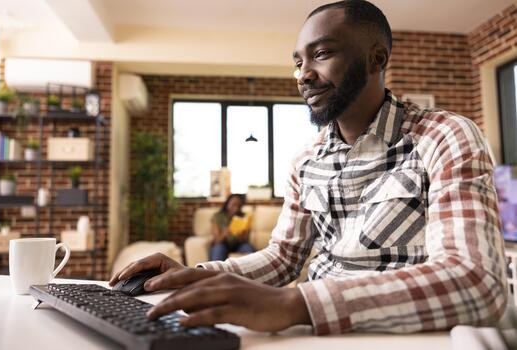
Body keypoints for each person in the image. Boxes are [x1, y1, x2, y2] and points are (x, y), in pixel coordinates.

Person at [110, 0, 507, 334]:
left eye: (321, 54)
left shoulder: (445, 137)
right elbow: (283, 259)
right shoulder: (306, 161)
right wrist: (197, 274)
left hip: (402, 337)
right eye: (298, 62)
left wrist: (295, 304)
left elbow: (477, 282)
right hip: (315, 335)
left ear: (377, 58)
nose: (303, 75)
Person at [210, 193, 255, 261]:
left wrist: (241, 237)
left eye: (239, 205)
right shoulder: (218, 217)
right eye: (234, 204)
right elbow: (217, 241)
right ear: (227, 204)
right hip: (223, 244)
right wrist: (224, 234)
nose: (236, 208)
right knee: (218, 249)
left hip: (239, 245)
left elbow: (245, 240)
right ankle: (217, 271)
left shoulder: (244, 217)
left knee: (248, 248)